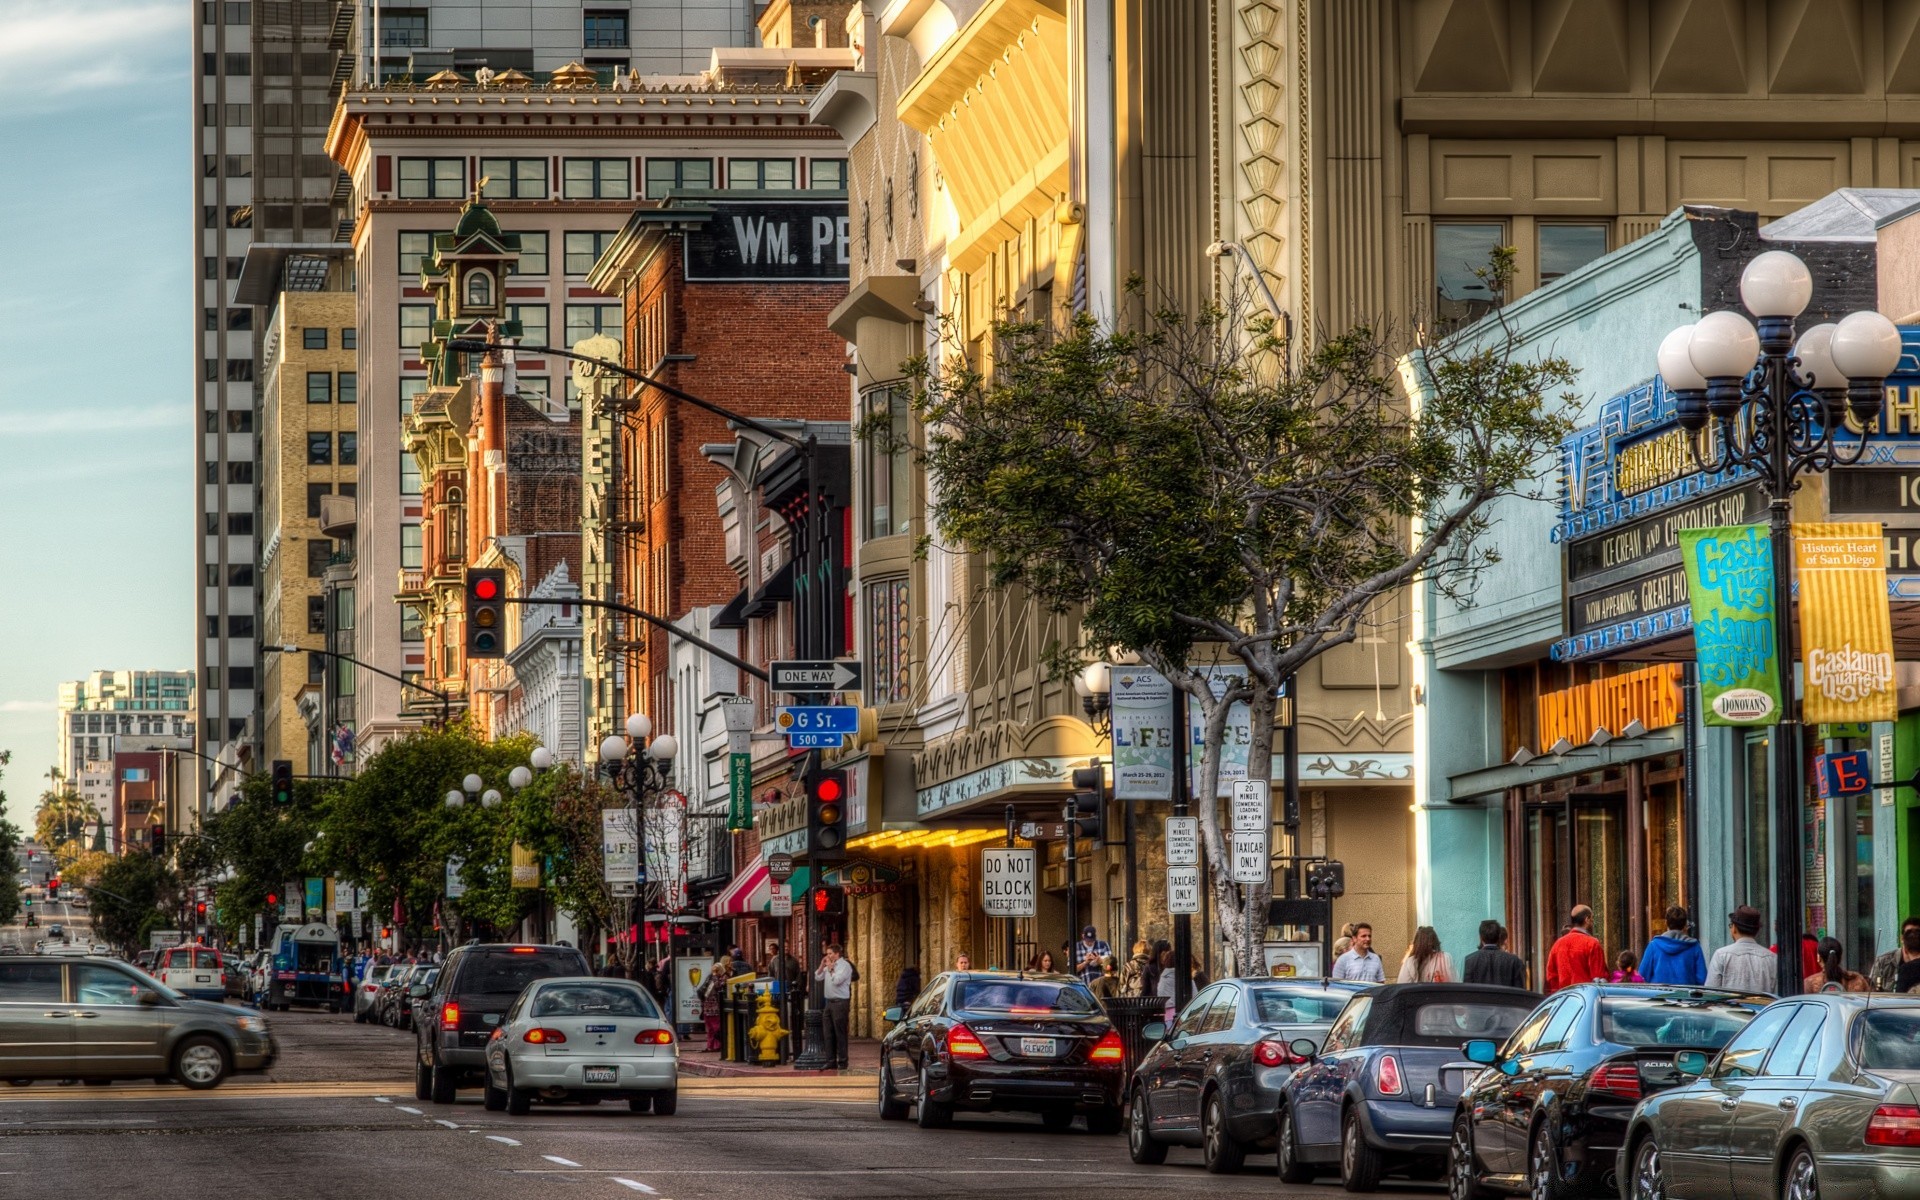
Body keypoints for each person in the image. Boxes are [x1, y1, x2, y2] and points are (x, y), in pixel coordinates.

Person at [1705, 906, 1778, 993]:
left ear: (1734, 928)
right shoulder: (1772, 958)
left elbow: (1711, 992)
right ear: (1757, 930)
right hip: (1764, 1007)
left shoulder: (1721, 955)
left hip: (1730, 1006)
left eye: (1730, 925)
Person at [1545, 905, 1609, 992]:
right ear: (1587, 919)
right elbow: (1599, 978)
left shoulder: (1558, 944)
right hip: (1586, 998)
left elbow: (1551, 977)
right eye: (1591, 918)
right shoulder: (1592, 943)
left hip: (1564, 998)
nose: (1592, 921)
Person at [1638, 905, 1707, 986]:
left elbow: (1642, 976)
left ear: (1666, 922)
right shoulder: (1694, 947)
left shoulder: (1654, 946)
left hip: (1659, 996)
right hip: (1686, 996)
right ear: (1685, 924)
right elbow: (1702, 978)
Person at [814, 943, 855, 1070]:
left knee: (840, 1033)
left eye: (830, 953)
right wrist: (822, 965)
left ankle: (842, 1061)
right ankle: (830, 1060)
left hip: (840, 1002)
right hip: (829, 1002)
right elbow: (818, 977)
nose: (828, 956)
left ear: (837, 954)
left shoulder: (845, 966)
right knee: (828, 1033)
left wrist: (831, 968)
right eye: (827, 954)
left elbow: (837, 981)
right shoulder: (829, 965)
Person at [1463, 919, 1527, 988]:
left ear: (1481, 937)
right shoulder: (1514, 960)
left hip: (1479, 999)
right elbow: (1520, 991)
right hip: (1505, 998)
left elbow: (1467, 991)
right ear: (1499, 936)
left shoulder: (1469, 960)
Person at [1870, 917, 1920, 992]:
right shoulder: (1883, 962)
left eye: (1917, 932)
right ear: (1902, 938)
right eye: (1909, 932)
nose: (1913, 935)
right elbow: (1871, 991)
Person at [699, 958, 732, 1051]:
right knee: (713, 1027)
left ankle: (713, 1045)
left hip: (709, 1006)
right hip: (713, 1007)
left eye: (716, 970)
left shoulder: (713, 977)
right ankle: (713, 1045)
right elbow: (717, 988)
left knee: (713, 1028)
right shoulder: (721, 978)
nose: (715, 972)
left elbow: (706, 989)